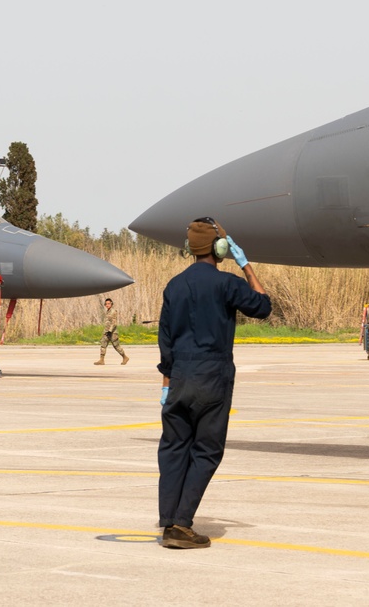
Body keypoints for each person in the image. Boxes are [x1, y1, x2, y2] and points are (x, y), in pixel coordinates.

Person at [157, 217, 271, 549]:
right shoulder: (228, 284)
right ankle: (181, 524)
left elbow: (165, 340)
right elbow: (262, 306)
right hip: (212, 377)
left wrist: (166, 385)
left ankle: (168, 522)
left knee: (173, 450)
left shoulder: (173, 286)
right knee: (206, 451)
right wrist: (246, 266)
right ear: (220, 248)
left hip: (178, 378)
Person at [94, 298, 129, 365]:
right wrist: (106, 331)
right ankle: (101, 360)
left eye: (108, 303)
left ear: (111, 304)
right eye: (106, 304)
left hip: (113, 332)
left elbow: (114, 323)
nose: (107, 305)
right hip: (106, 332)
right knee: (103, 345)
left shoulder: (113, 311)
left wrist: (110, 330)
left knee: (116, 346)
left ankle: (125, 357)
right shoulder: (107, 311)